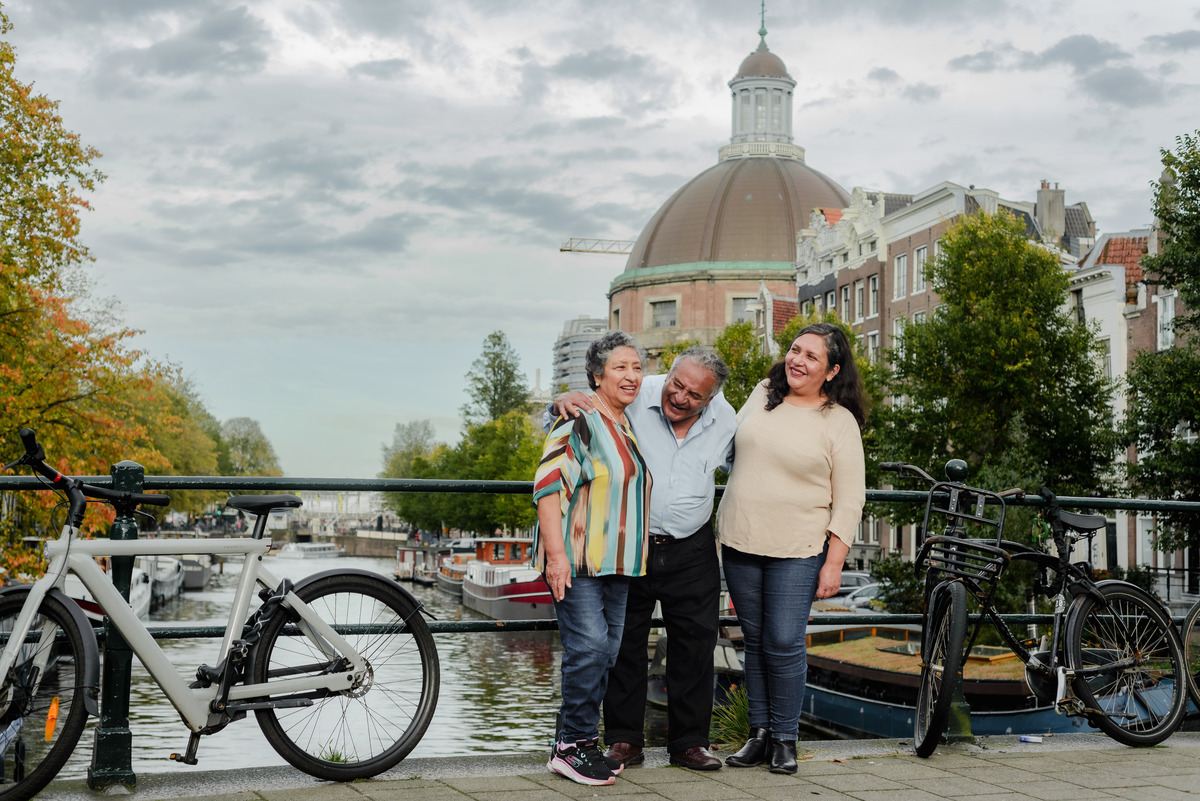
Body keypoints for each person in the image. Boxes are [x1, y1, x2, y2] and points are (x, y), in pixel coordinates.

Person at [552, 346, 736, 771]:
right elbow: (586, 414)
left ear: (711, 399)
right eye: (677, 383)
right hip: (631, 544)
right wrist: (560, 400)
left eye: (694, 394)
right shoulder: (637, 394)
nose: (680, 396)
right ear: (668, 374)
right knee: (625, 643)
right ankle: (623, 740)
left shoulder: (725, 419)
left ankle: (690, 743)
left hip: (692, 546)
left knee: (695, 643)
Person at [716, 322, 866, 775]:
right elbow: (724, 440)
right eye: (795, 350)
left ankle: (785, 737)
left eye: (811, 357)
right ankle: (758, 734)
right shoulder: (764, 393)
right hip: (741, 539)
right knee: (756, 641)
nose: (797, 360)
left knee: (783, 640)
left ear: (832, 370)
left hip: (798, 547)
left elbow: (851, 496)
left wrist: (834, 562)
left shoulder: (838, 421)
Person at [534, 330, 652, 787]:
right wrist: (557, 558)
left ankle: (576, 742)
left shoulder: (622, 423)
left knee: (605, 652)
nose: (631, 376)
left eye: (637, 367)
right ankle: (572, 746)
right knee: (588, 650)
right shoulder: (580, 419)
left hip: (617, 563)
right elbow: (547, 489)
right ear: (597, 376)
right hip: (579, 560)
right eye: (620, 367)